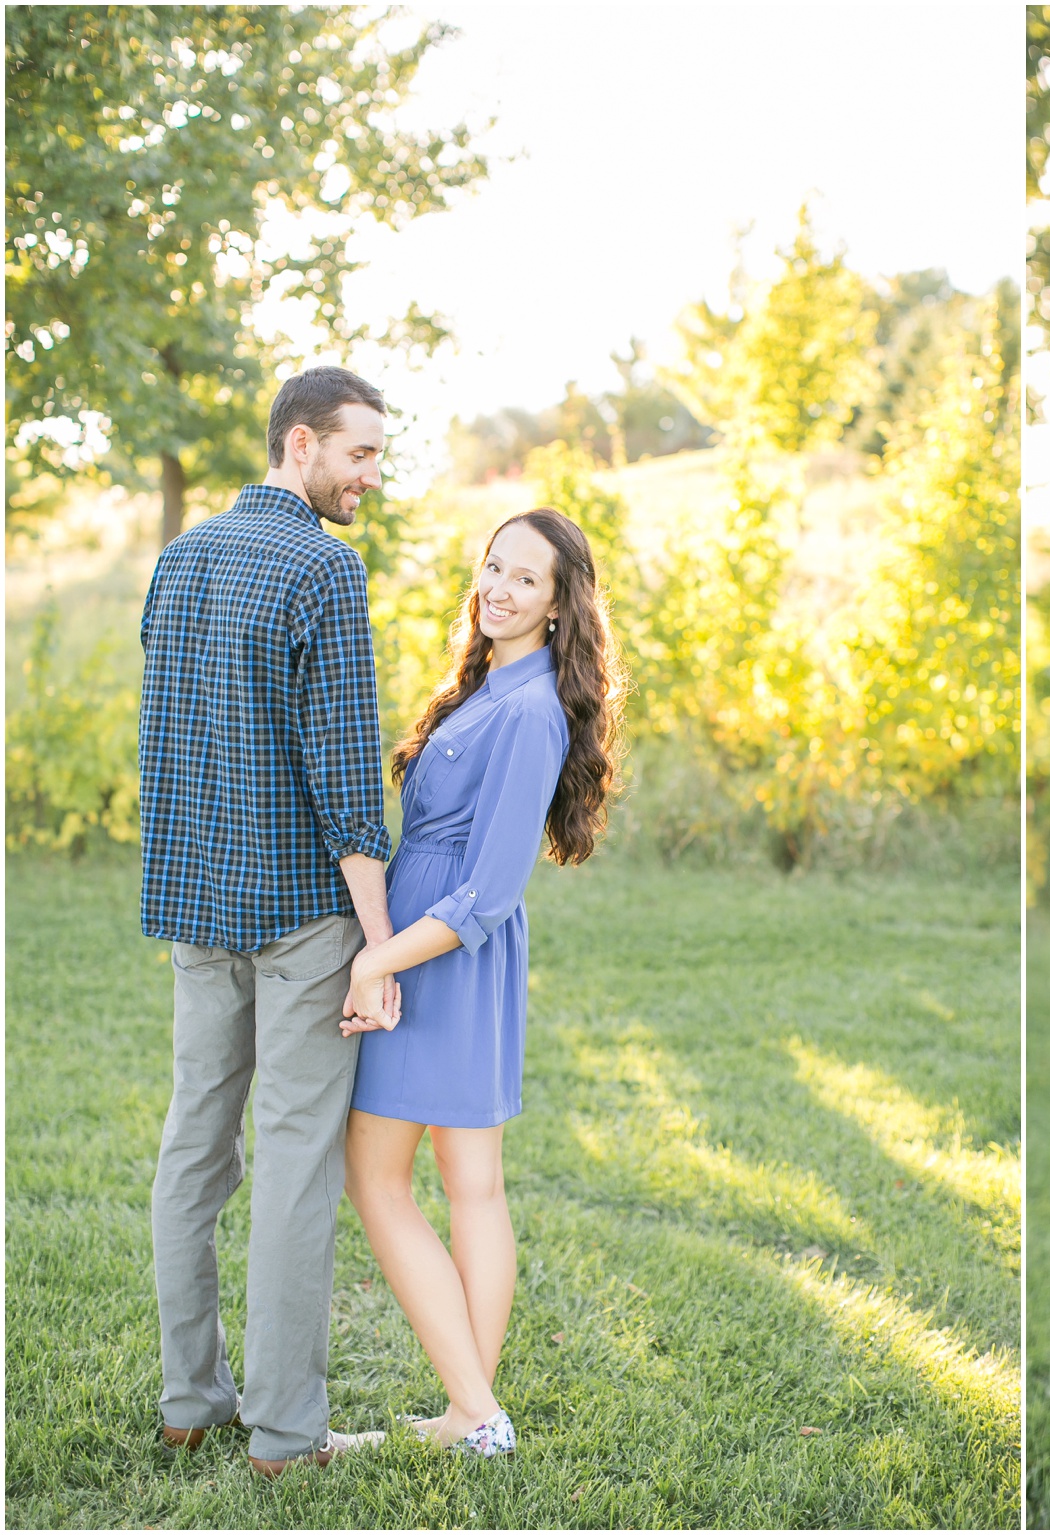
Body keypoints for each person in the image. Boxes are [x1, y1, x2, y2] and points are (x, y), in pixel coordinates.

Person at [142, 365, 399, 1476]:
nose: (370, 477)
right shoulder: (324, 573)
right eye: (359, 453)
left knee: (194, 1143)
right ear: (300, 443)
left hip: (197, 905)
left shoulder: (180, 558)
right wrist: (378, 948)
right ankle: (288, 1435)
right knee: (295, 1162)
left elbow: (172, 723)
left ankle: (191, 1399)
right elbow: (349, 788)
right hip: (298, 917)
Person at [339, 507, 625, 1457]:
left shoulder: (532, 709)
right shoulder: (488, 684)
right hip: (435, 951)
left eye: (526, 578)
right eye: (493, 566)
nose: (499, 587)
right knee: (470, 1188)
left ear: (558, 605)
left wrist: (377, 958)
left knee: (384, 1179)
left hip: (443, 962)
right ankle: (472, 1415)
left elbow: (492, 890)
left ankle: (476, 1409)